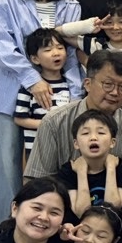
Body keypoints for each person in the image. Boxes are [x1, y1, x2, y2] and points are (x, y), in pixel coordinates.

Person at [0, 0, 85, 225]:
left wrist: (76, 99)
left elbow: (71, 55)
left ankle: (48, 230)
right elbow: (1, 46)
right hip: (8, 94)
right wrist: (33, 80)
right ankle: (5, 233)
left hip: (55, 99)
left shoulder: (71, 6)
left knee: (53, 171)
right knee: (7, 170)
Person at [25, 49, 122, 240]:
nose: (115, 92)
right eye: (108, 84)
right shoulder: (55, 121)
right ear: (88, 84)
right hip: (64, 201)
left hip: (114, 206)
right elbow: (37, 180)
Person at [54, 109, 122, 217]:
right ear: (76, 143)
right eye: (85, 133)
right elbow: (82, 212)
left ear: (112, 142)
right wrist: (81, 172)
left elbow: (112, 209)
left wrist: (111, 167)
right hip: (79, 227)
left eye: (101, 133)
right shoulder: (68, 170)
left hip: (114, 227)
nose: (93, 138)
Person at [13, 28, 75, 162]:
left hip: (65, 151)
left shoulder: (71, 86)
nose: (56, 53)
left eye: (60, 48)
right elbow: (19, 119)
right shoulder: (30, 88)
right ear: (35, 59)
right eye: (48, 50)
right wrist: (46, 124)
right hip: (38, 151)